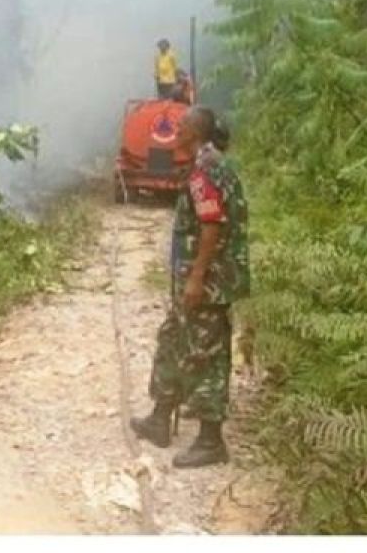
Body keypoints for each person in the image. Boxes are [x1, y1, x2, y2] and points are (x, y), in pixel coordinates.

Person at [131, 106, 250, 467]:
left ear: (193, 132)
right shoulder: (207, 163)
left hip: (209, 282)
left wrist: (197, 278)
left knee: (205, 352)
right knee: (173, 339)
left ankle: (211, 440)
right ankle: (160, 417)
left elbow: (212, 225)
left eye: (181, 126)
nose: (175, 131)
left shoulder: (206, 170)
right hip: (197, 279)